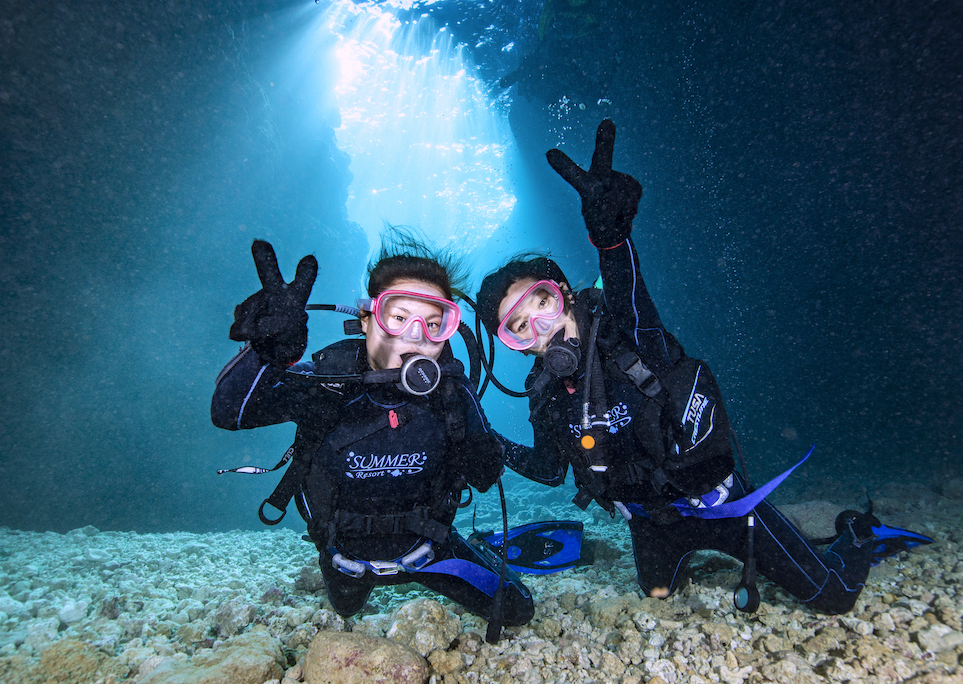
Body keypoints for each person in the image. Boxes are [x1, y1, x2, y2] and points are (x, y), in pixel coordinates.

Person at [475, 119, 932, 614]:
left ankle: (856, 531)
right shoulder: (544, 392)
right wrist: (488, 443)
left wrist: (610, 239)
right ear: (512, 345)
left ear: (562, 294)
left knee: (835, 599)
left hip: (727, 507)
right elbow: (549, 468)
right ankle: (692, 553)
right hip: (650, 522)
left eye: (539, 302)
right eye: (517, 326)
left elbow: (627, 288)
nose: (537, 327)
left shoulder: (628, 332)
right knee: (659, 597)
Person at [212, 232, 534, 630]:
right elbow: (229, 413)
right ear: (367, 320)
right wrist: (267, 356)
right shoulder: (327, 383)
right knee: (346, 609)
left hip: (430, 549)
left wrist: (475, 446)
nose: (416, 336)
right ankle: (347, 574)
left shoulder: (451, 392)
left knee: (518, 610)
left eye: (434, 324)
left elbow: (485, 477)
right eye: (398, 317)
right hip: (345, 557)